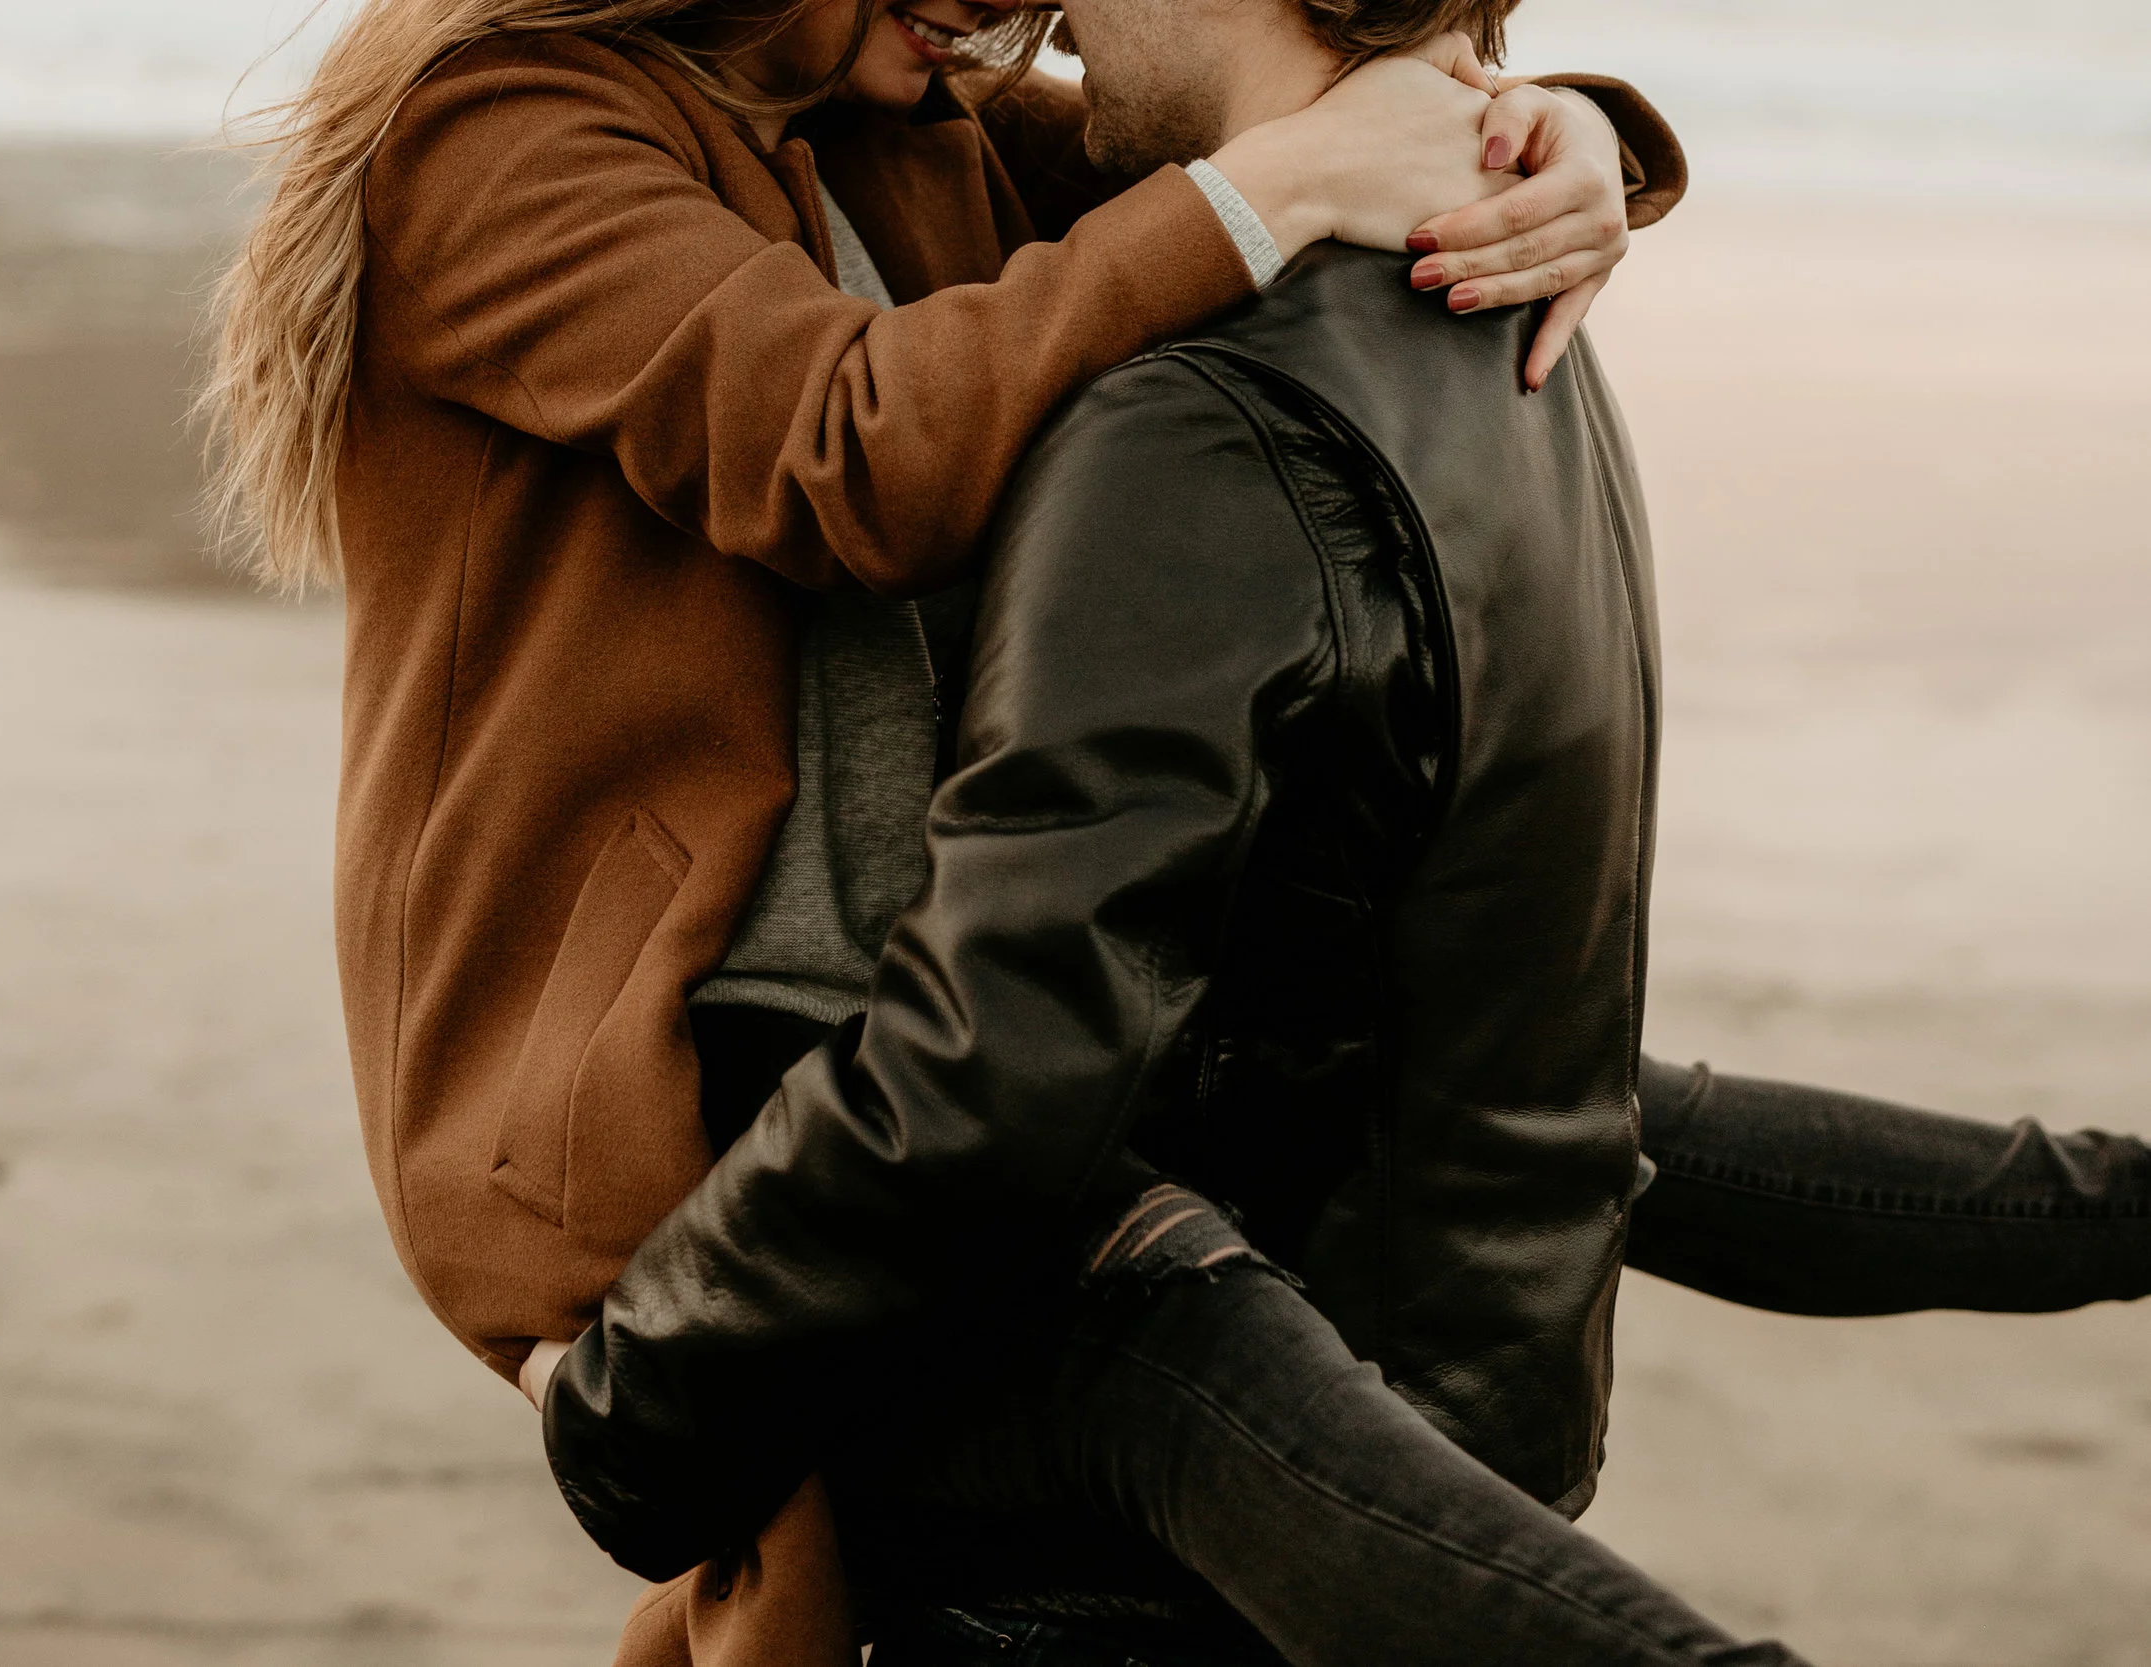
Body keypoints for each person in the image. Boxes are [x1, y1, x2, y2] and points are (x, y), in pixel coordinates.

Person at [533, 2, 2151, 1664]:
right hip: (1464, 1434)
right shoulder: (1507, 317)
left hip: (1190, 1545)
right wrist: (1542, 125)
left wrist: (633, 1406)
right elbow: (1530, 1073)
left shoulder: (1196, 420)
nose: (1057, 7)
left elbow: (992, 1060)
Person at [201, 0, 1677, 1662]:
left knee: (1532, 1104)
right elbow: (850, 448)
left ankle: (2041, 1201)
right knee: (1195, 1361)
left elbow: (1196, 115)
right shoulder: (496, 135)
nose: (1013, 5)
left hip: (918, 1032)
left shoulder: (892, 103)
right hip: (657, 1051)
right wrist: (1279, 186)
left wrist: (1553, 136)